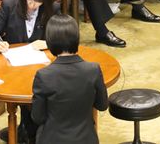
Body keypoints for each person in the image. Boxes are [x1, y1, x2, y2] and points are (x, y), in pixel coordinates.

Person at [0, 0, 60, 143]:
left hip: (41, 65)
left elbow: (60, 38)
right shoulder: (9, 5)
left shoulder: (53, 8)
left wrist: (47, 42)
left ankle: (29, 131)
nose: (32, 5)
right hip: (13, 66)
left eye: (37, 2)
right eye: (29, 0)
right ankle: (26, 130)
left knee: (38, 94)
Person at [31, 14, 108, 144]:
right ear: (76, 38)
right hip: (86, 138)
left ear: (49, 41)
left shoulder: (44, 75)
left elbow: (38, 117)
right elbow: (102, 105)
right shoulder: (93, 70)